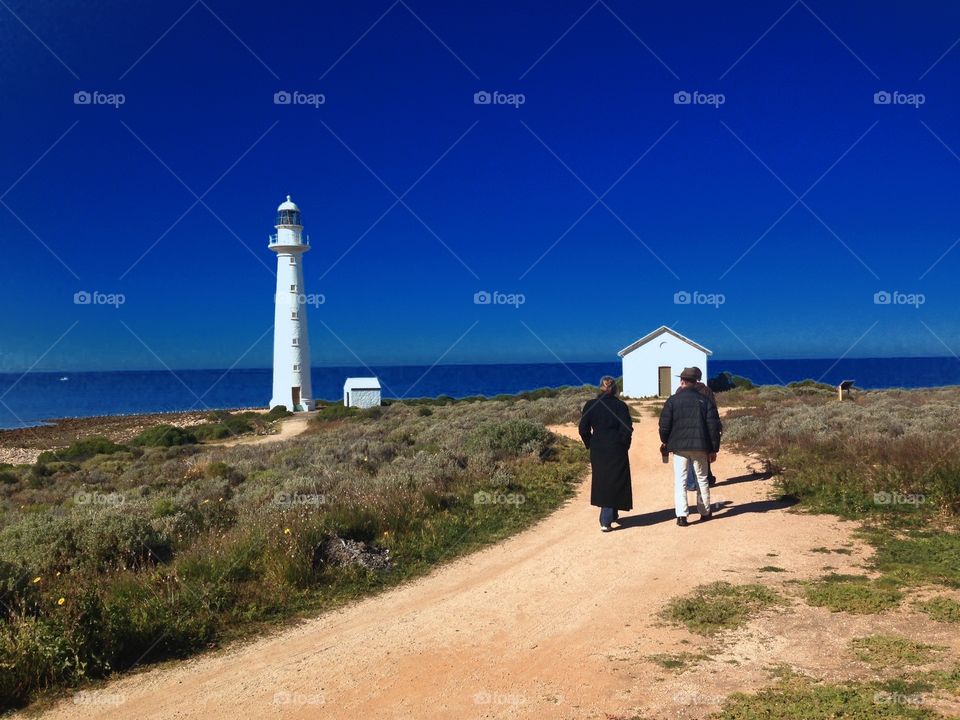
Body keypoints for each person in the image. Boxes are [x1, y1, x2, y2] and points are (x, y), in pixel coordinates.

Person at [659, 367, 721, 526]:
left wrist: (665, 441)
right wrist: (714, 449)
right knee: (702, 479)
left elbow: (664, 425)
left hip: (679, 447)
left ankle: (681, 516)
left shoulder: (672, 400)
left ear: (682, 381)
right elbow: (713, 427)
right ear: (696, 382)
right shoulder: (705, 401)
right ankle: (705, 512)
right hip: (701, 446)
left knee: (681, 481)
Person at [579, 376, 633, 532]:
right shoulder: (620, 406)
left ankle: (612, 514)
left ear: (600, 387)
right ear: (614, 388)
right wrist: (625, 445)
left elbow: (583, 429)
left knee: (603, 480)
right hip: (616, 446)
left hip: (598, 447)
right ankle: (606, 519)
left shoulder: (590, 405)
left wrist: (590, 443)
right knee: (616, 479)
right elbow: (627, 429)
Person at [682, 367, 720, 491]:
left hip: (685, 428)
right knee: (704, 455)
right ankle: (704, 479)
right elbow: (713, 409)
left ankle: (691, 483)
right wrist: (717, 425)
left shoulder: (679, 391)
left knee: (688, 457)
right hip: (703, 427)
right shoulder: (706, 391)